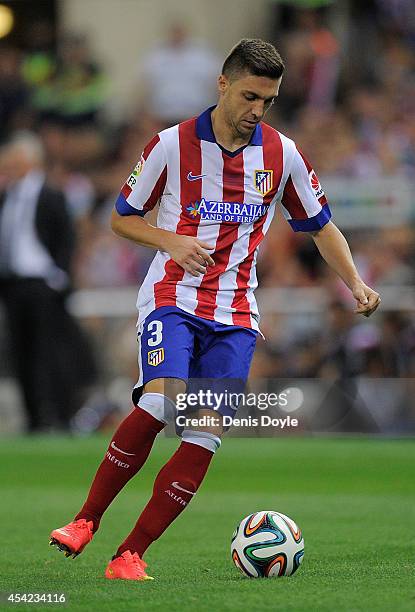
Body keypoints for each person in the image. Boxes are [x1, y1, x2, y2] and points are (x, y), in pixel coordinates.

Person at [49, 39, 380, 581]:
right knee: (159, 407)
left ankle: (129, 555)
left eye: (268, 101)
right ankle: (85, 520)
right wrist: (171, 241)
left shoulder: (282, 154)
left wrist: (357, 283)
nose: (257, 110)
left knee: (204, 433)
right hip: (172, 298)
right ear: (223, 84)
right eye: (250, 96)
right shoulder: (171, 145)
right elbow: (121, 217)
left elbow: (320, 225)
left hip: (235, 314)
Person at [0, 132, 96, 431]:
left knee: (50, 352)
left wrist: (60, 276)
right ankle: (33, 418)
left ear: (30, 161)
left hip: (44, 284)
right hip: (13, 284)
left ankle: (58, 414)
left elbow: (67, 239)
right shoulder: (7, 197)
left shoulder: (51, 194)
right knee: (21, 352)